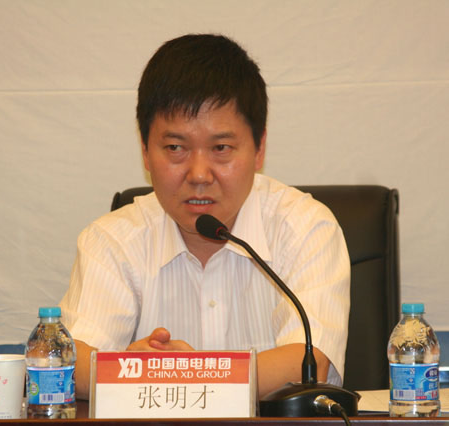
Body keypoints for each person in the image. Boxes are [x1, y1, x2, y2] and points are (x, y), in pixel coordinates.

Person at [59, 33, 350, 400]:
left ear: (259, 148)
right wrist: (148, 369)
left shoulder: (306, 227)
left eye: (221, 148)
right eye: (175, 147)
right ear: (145, 151)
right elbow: (68, 365)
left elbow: (308, 363)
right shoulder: (111, 240)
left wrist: (178, 373)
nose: (199, 174)